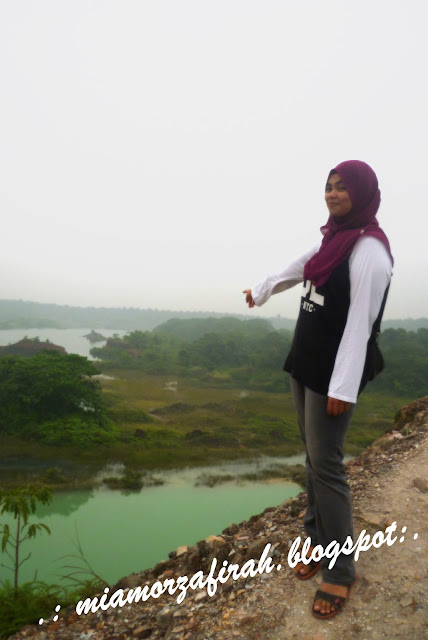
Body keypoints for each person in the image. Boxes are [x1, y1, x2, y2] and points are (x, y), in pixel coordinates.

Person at [243, 160, 393, 619]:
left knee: (326, 466)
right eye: (328, 187)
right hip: (305, 363)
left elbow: (360, 326)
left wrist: (343, 387)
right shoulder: (334, 238)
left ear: (362, 193)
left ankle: (341, 570)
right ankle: (316, 542)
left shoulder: (369, 251)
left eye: (342, 187)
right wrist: (264, 287)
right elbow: (302, 266)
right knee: (312, 457)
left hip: (334, 374)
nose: (332, 194)